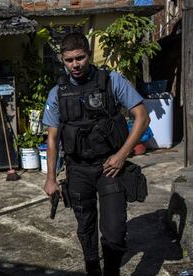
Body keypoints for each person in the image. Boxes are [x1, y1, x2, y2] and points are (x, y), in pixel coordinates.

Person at [42, 33, 150, 276]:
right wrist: (50, 177)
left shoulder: (111, 81)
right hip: (78, 169)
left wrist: (122, 155)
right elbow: (52, 137)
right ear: (62, 60)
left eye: (80, 58)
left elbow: (142, 117)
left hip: (109, 166)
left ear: (88, 55)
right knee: (86, 228)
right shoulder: (57, 92)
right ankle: (92, 269)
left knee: (114, 231)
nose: (75, 64)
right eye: (69, 60)